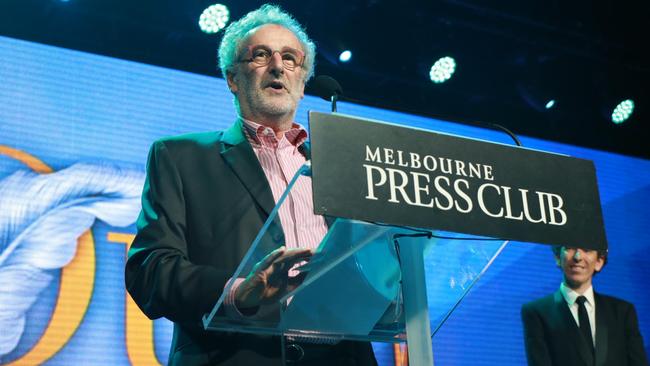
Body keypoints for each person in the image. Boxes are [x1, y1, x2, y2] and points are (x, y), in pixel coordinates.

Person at [124, 4, 377, 366]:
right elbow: (150, 269)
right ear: (232, 78)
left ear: (303, 83)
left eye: (291, 59)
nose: (277, 66)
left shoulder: (341, 168)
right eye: (261, 55)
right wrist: (241, 291)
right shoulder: (180, 157)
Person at [521, 245, 648, 366]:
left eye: (587, 250)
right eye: (570, 248)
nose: (578, 257)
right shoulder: (536, 312)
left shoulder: (623, 311)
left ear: (599, 261)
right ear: (558, 258)